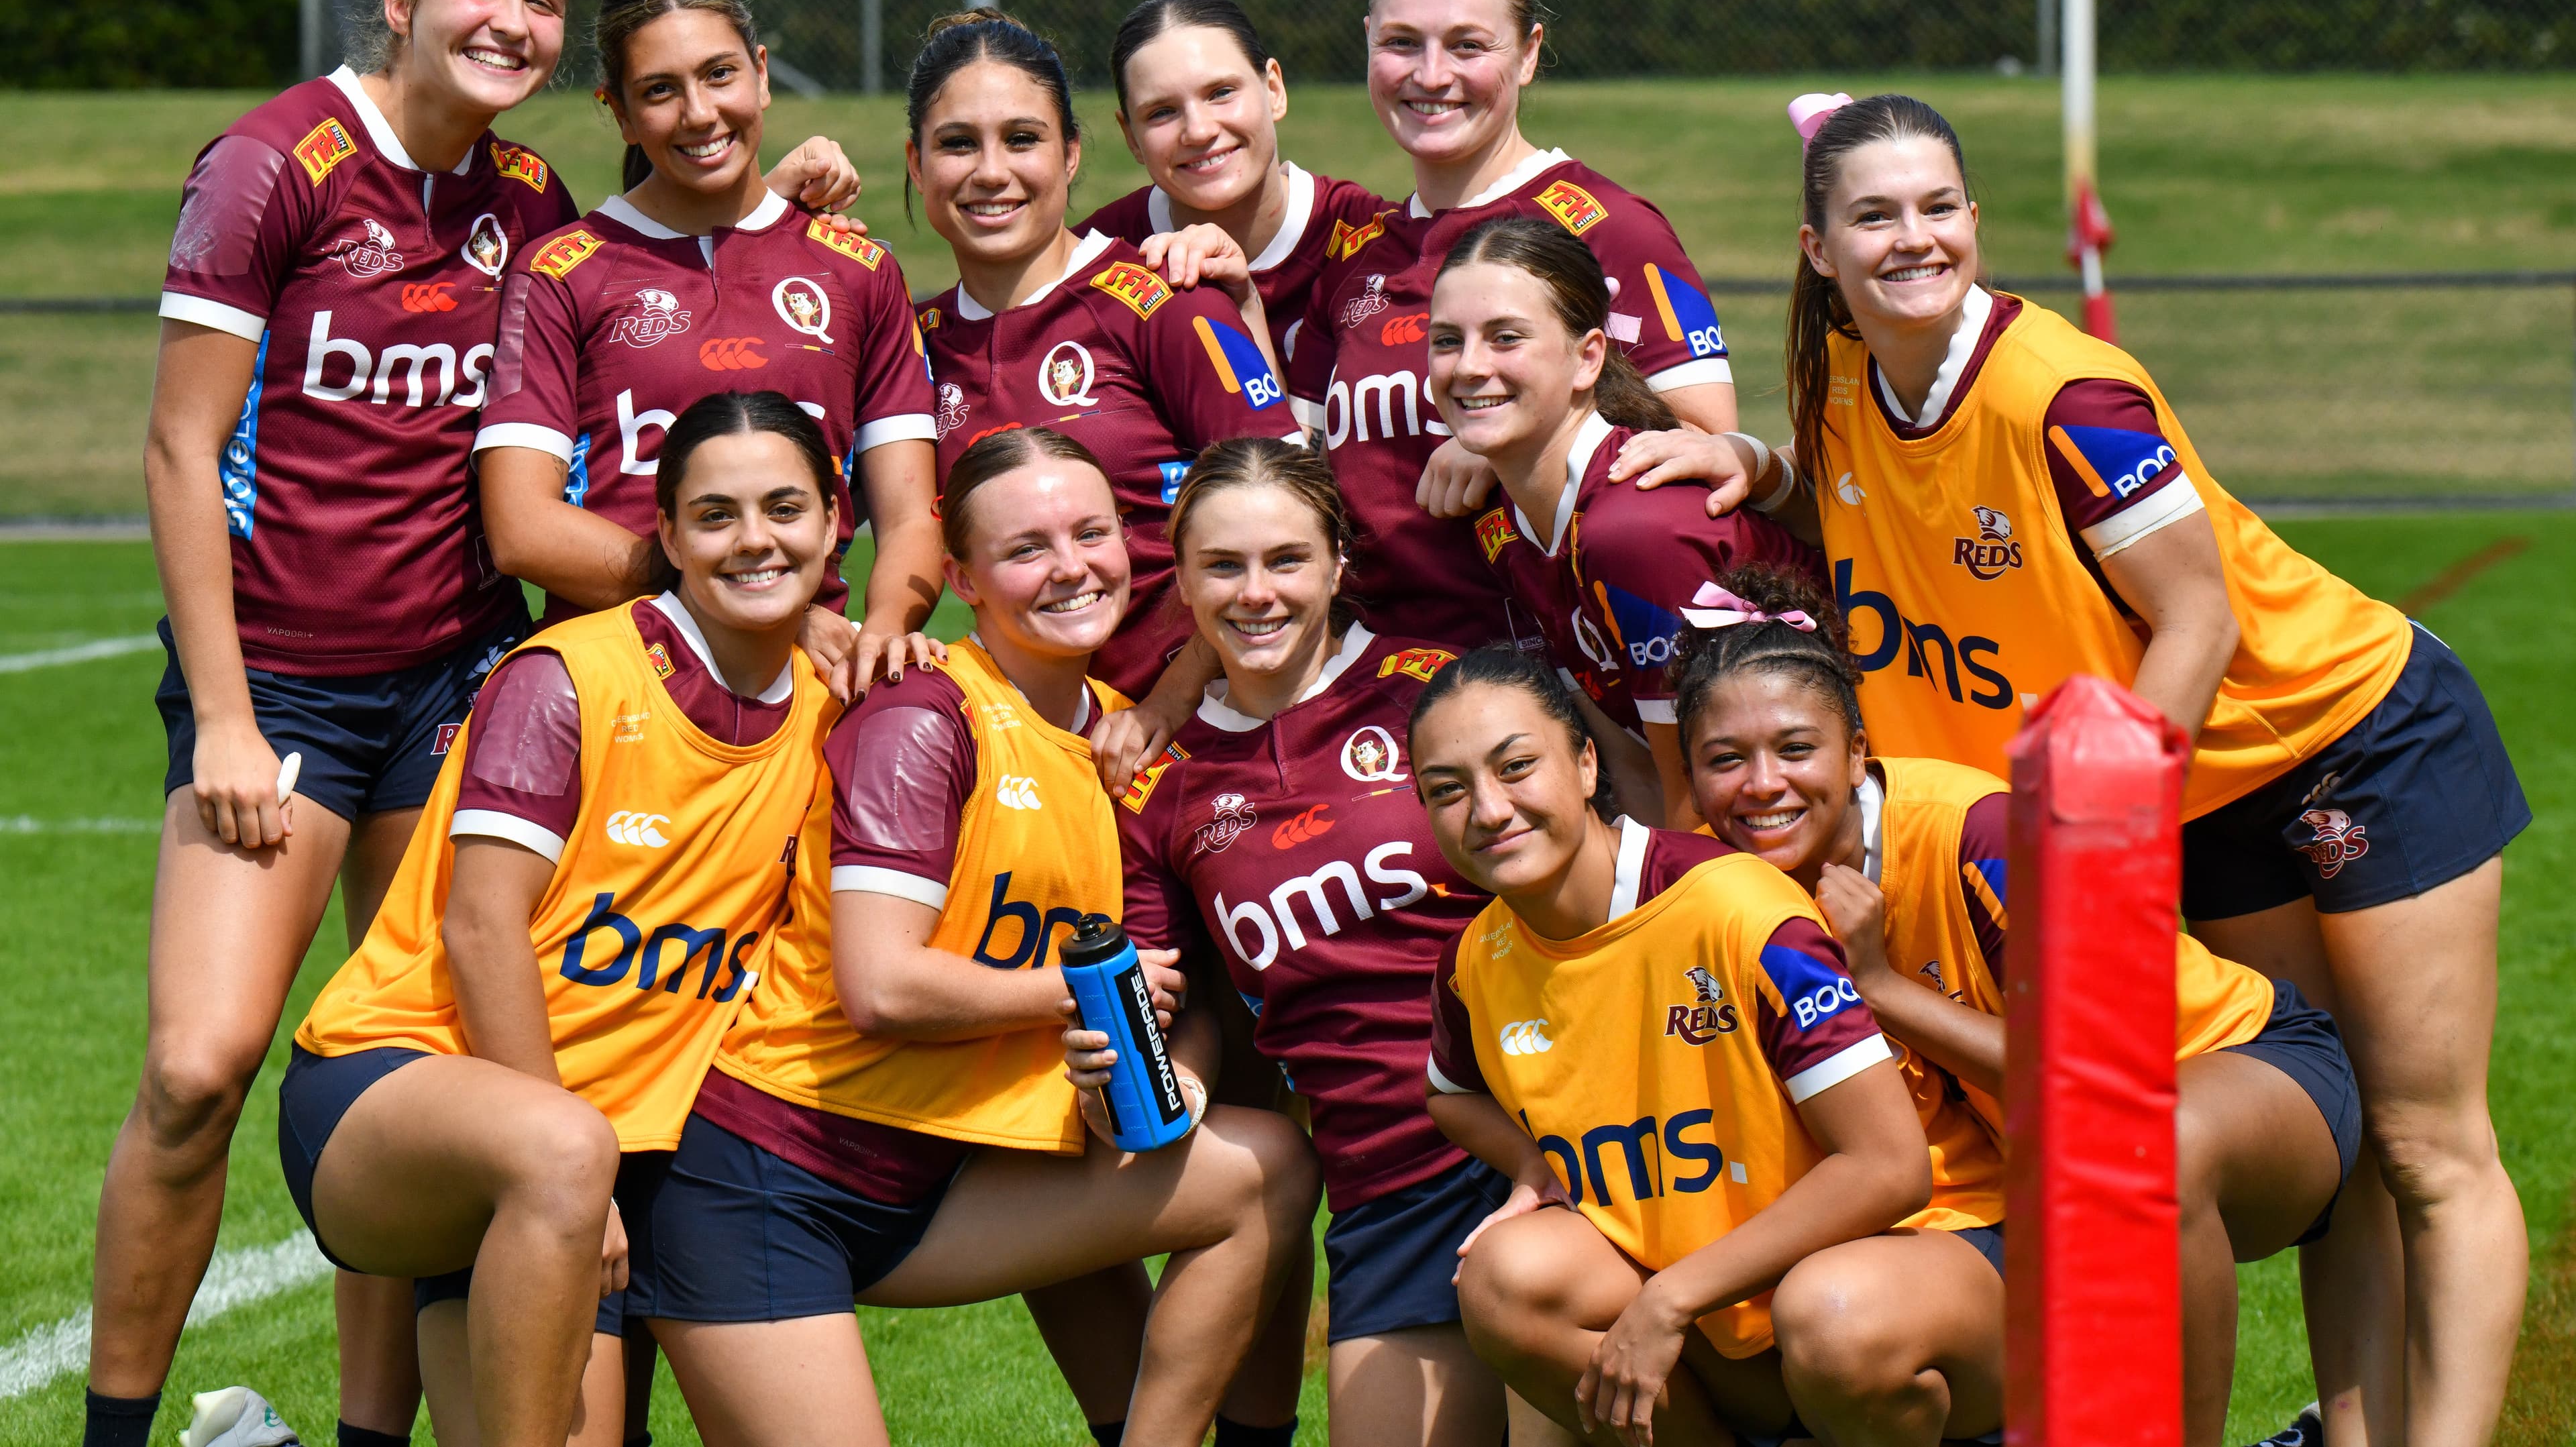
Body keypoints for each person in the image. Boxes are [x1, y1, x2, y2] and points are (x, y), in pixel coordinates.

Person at [1619, 91, 2532, 1447]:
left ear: (1977, 219)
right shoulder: (1847, 379)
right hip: (2187, 788)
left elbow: (2199, 617)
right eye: (1875, 215)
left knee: (2422, 1141)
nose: (1914, 237)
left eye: (1939, 207)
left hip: (2342, 735)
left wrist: (2103, 839)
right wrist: (1750, 462)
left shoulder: (2070, 394)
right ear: (1818, 251)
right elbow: (1855, 493)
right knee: (2341, 1171)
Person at [108, 0, 869, 1447]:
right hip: (286, 687)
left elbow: (669, 225)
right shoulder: (273, 163)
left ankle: (370, 1431)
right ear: (401, 3)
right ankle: (113, 1430)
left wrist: (781, 186)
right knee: (197, 1066)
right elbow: (182, 446)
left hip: (460, 674)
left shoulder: (528, 198)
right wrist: (228, 718)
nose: (509, 21)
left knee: (428, 1058)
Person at [625, 426, 1318, 1447]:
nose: (1072, 566)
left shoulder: (1128, 746)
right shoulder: (924, 712)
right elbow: (882, 987)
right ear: (963, 580)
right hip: (772, 1175)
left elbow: (1167, 995)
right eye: (1027, 548)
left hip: (956, 1173)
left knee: (1267, 1165)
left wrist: (1170, 1083)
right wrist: (1075, 994)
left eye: (1092, 533)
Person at [1676, 562, 2360, 1447]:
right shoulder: (1708, 885)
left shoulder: (1981, 832)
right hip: (2026, 1183)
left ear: (1856, 750)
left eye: (1796, 748)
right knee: (1838, 1324)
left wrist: (1882, 986)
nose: (1762, 784)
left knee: (2152, 1145)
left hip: (2234, 1073)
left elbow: (2092, 1083)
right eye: (1725, 759)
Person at [277, 391, 843, 1447]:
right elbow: (481, 928)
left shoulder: (834, 706)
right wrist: (570, 1162)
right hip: (406, 1084)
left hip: (611, 1157)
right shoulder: (569, 675)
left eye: (784, 508)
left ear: (833, 519)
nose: (754, 539)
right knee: (565, 1152)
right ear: (666, 533)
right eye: (715, 515)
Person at [1409, 648, 2004, 1447]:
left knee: (1834, 1318)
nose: (1488, 809)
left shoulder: (1741, 909)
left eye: (1517, 767)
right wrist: (1535, 1166)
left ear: (1586, 764)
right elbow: (1448, 1094)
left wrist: (1669, 1298)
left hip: (1909, 1259)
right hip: (1731, 1306)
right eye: (1448, 789)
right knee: (1504, 1279)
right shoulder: (1474, 961)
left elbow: (1890, 1167)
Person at [1114, 436, 1506, 1444]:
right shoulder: (1162, 783)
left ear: (1338, 562)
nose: (1257, 594)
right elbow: (1165, 998)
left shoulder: (1438, 692)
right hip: (1388, 1188)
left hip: (1547, 1135)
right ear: (1181, 582)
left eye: (1287, 559)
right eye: (1223, 566)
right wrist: (1162, 1072)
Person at [478, 0, 941, 696]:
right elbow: (521, 529)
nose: (699, 114)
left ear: (761, 73)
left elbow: (912, 517)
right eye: (660, 90)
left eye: (719, 74)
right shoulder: (561, 271)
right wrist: (764, 608)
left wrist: (879, 638)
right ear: (620, 112)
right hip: (616, 683)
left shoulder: (859, 269)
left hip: (809, 688)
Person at [1291, 0, 1740, 655]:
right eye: (1401, 42)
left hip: (1544, 682)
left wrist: (1516, 440)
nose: (1431, 75)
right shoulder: (1356, 253)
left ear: (1529, 54)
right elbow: (1301, 471)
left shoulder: (1610, 228)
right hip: (1367, 678)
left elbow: (1704, 448)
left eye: (1468, 45)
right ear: (1367, 42)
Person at [906, 10, 1302, 706]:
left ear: (1070, 153)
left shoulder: (1169, 301)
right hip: (1031, 742)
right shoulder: (915, 341)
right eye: (958, 144)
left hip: (1206, 726)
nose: (991, 172)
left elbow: (1298, 513)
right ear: (916, 163)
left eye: (1022, 139)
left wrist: (1169, 704)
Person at [1427, 215, 1815, 832]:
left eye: (1505, 338)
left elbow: (1698, 797)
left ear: (1588, 359)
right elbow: (1638, 770)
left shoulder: (1635, 530)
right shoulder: (1507, 520)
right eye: (1448, 340)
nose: (1469, 366)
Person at [1083, 0, 1387, 361]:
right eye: (1162, 112)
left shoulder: (1378, 241)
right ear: (1131, 136)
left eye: (1221, 93)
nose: (1199, 131)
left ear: (1274, 90)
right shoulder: (1094, 262)